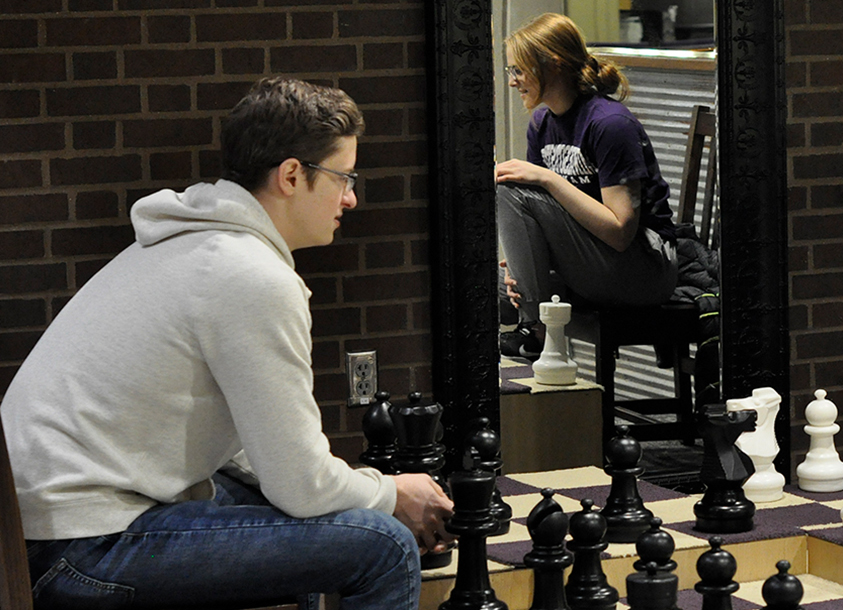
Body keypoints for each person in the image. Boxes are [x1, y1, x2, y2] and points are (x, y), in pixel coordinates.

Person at [1, 77, 453, 609]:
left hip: (40, 531)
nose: (350, 198)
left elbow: (274, 469)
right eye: (343, 177)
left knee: (313, 512)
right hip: (79, 550)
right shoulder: (251, 275)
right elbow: (302, 487)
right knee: (384, 546)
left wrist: (356, 489)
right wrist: (390, 492)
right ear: (291, 175)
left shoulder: (192, 240)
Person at [496, 12, 679, 359]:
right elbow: (535, 217)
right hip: (590, 264)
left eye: (518, 70)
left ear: (553, 65)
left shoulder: (610, 125)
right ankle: (530, 316)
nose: (512, 81)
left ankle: (534, 331)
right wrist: (517, 267)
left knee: (509, 187)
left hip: (643, 269)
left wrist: (549, 179)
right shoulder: (542, 123)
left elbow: (621, 232)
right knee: (476, 288)